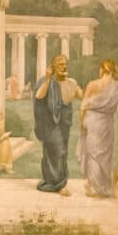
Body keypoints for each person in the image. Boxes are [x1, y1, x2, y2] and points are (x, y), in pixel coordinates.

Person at [78, 59, 118, 197]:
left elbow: (83, 106)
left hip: (92, 122)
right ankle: (101, 187)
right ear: (113, 71)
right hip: (106, 123)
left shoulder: (92, 84)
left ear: (101, 70)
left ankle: (95, 187)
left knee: (93, 155)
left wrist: (81, 124)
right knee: (104, 155)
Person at [34, 54, 83, 195]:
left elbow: (81, 94)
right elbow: (39, 96)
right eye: (60, 64)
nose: (64, 66)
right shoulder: (46, 81)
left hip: (64, 123)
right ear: (53, 67)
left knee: (62, 152)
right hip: (50, 123)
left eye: (65, 64)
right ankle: (58, 184)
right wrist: (49, 78)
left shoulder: (70, 82)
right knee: (56, 151)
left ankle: (55, 182)